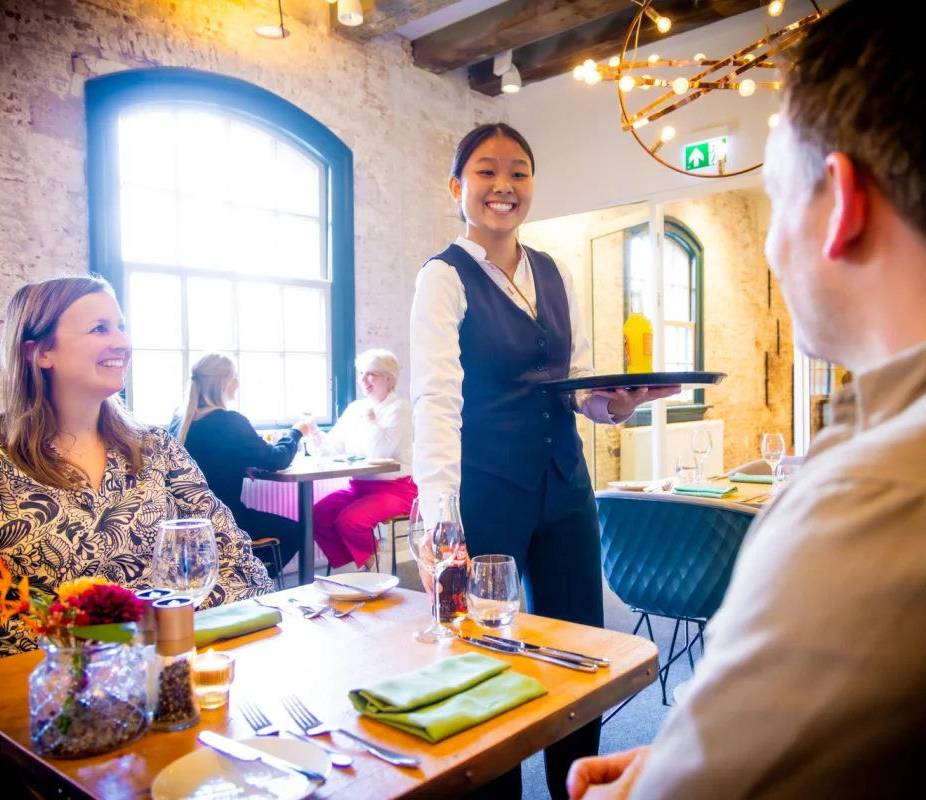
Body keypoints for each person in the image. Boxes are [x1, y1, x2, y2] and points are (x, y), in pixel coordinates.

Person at [566, 1, 926, 797]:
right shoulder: (910, 433)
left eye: (773, 198)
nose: (770, 247)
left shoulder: (887, 503)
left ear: (839, 206)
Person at [409, 123, 678, 800]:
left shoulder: (554, 271)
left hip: (564, 491)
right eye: (486, 172)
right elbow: (435, 401)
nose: (504, 186)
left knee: (580, 649)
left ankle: (573, 787)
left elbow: (578, 385)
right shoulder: (442, 278)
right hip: (487, 492)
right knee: (485, 654)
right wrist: (440, 518)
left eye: (518, 172)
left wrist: (618, 406)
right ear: (456, 187)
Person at [0, 276, 274, 681]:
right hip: (49, 696)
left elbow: (238, 564)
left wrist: (157, 633)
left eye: (120, 326)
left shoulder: (157, 449)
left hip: (172, 678)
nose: (122, 341)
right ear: (40, 352)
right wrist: (105, 639)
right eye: (99, 328)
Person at [170, 353, 304, 580]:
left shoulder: (180, 419)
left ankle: (235, 579)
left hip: (184, 519)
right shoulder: (230, 421)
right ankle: (252, 581)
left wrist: (239, 465)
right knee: (297, 531)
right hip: (226, 519)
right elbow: (277, 459)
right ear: (223, 382)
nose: (238, 383)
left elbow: (207, 458)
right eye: (235, 377)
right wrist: (296, 432)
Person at [298, 349, 416, 571]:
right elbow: (334, 447)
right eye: (362, 373)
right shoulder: (355, 408)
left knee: (350, 521)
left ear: (388, 378)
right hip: (359, 487)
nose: (363, 379)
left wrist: (371, 419)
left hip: (397, 489)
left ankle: (373, 567)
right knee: (317, 515)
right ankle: (359, 568)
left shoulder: (400, 408)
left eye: (371, 374)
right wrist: (315, 433)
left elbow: (380, 452)